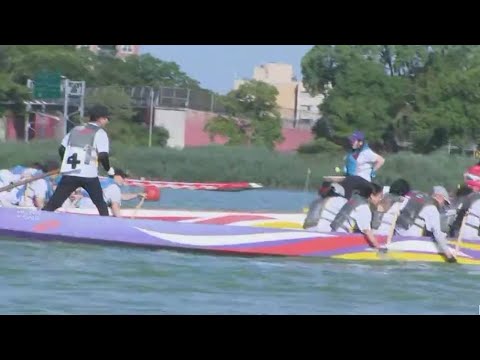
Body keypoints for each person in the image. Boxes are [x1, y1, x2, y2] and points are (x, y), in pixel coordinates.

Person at [42, 104, 114, 216]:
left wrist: (64, 161)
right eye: (106, 118)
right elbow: (103, 155)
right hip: (88, 175)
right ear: (100, 118)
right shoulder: (100, 133)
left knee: (55, 203)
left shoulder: (75, 130)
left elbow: (62, 149)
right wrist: (109, 169)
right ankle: (107, 229)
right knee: (100, 204)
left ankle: (37, 220)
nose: (107, 121)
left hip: (70, 173)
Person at [395, 186, 457, 262]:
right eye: (444, 202)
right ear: (439, 196)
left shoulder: (414, 199)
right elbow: (437, 234)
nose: (443, 205)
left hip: (397, 237)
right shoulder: (432, 208)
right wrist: (449, 256)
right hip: (412, 242)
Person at [330, 182, 386, 251]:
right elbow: (367, 231)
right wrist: (379, 247)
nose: (380, 199)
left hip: (333, 232)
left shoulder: (354, 199)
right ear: (372, 196)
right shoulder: (363, 207)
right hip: (341, 238)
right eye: (380, 196)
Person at [75, 168, 146, 217]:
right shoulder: (113, 187)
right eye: (123, 177)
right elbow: (115, 205)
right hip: (92, 210)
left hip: (83, 206)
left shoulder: (106, 182)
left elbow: (122, 196)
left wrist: (137, 195)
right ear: (117, 176)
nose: (124, 180)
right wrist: (121, 220)